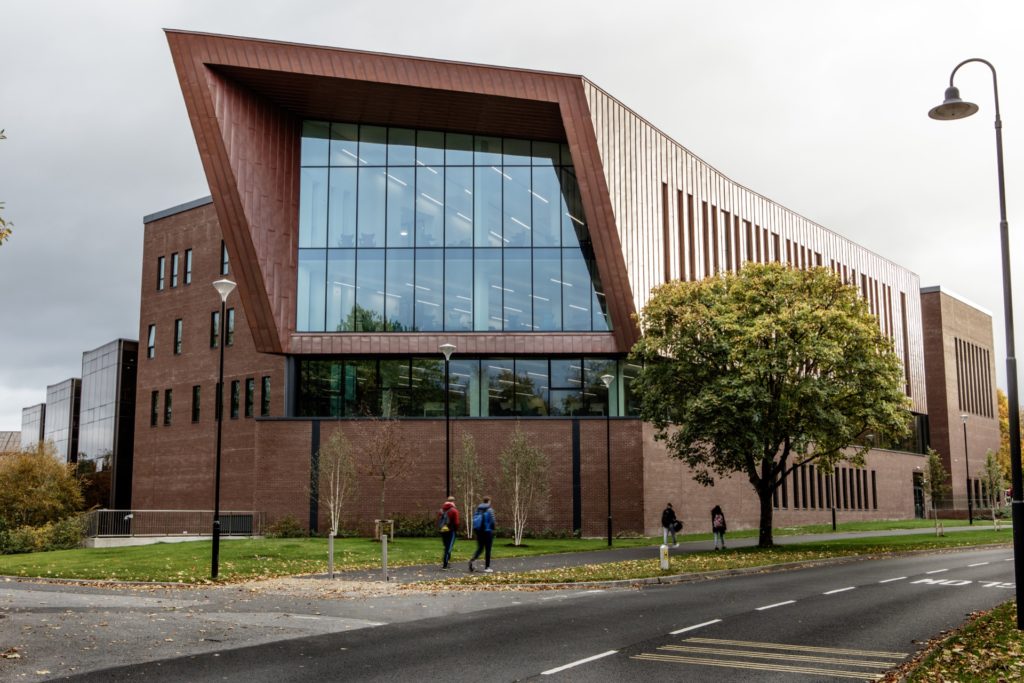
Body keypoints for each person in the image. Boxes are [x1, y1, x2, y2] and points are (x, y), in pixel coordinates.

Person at [469, 496, 496, 573]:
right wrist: (493, 528)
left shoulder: (478, 509)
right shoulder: (490, 510)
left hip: (479, 531)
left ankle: (473, 559)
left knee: (480, 548)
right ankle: (487, 567)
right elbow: (493, 521)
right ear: (489, 501)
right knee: (488, 549)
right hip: (487, 531)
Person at [438, 496, 459, 570]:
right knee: (448, 547)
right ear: (453, 502)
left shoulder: (441, 510)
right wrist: (456, 530)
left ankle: (447, 562)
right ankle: (445, 564)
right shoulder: (454, 510)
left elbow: (439, 520)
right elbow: (456, 522)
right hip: (451, 531)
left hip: (443, 530)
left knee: (446, 546)